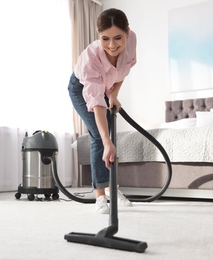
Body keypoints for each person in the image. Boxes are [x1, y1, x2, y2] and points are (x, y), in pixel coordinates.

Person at [68, 8, 136, 214]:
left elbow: (124, 69)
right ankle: (100, 196)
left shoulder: (132, 40)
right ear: (98, 36)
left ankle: (112, 189)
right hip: (81, 88)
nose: (112, 45)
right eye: (105, 39)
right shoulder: (91, 59)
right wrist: (107, 142)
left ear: (127, 33)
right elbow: (96, 101)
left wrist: (114, 95)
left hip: (107, 87)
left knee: (110, 139)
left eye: (118, 38)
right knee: (100, 137)